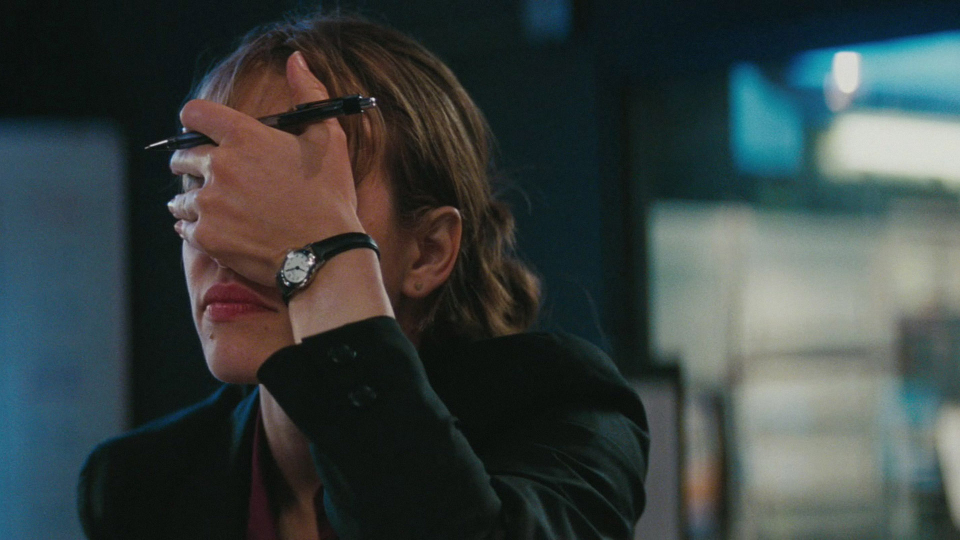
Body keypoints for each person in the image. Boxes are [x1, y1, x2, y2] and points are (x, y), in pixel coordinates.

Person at [78, 12, 649, 540]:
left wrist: (318, 258)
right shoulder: (139, 484)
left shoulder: (563, 411)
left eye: (288, 196)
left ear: (428, 252)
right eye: (205, 186)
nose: (220, 241)